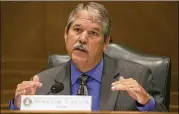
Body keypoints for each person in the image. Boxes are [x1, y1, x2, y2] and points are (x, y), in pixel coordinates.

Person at [9, 2, 167, 111]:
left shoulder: (137, 76)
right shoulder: (41, 83)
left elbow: (162, 111)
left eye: (93, 33)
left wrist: (146, 102)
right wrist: (19, 105)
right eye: (77, 29)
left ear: (106, 43)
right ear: (65, 34)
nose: (82, 38)